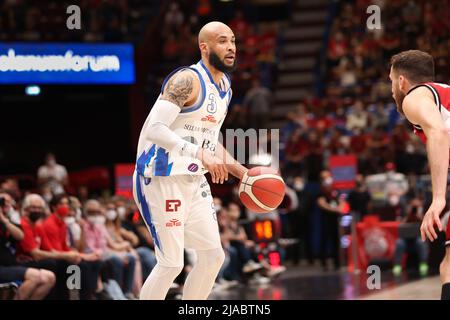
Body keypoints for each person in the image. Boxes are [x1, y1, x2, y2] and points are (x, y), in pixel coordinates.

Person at [133, 21, 248, 300]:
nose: (231, 47)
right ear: (204, 47)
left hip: (192, 179)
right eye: (223, 41)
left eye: (233, 41)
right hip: (160, 177)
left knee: (212, 257)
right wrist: (200, 154)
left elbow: (210, 142)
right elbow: (155, 129)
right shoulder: (186, 80)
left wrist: (243, 173)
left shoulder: (225, 87)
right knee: (172, 263)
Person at [389, 50, 450, 300]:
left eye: (391, 81)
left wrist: (438, 199)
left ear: (401, 81)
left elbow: (438, 131)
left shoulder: (413, 98)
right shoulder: (442, 92)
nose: (392, 88)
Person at [0, 192, 55, 300]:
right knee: (35, 277)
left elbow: (20, 236)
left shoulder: (9, 222)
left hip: (11, 266)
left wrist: (3, 220)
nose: (5, 204)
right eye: (2, 201)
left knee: (49, 277)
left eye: (8, 201)